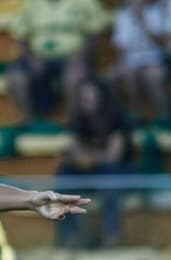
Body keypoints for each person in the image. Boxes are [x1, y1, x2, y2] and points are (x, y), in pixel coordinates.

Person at [55, 77, 133, 248]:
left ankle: (111, 237)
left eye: (90, 96)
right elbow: (75, 151)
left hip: (117, 171)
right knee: (65, 175)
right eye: (83, 97)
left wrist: (88, 156)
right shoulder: (78, 120)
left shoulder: (116, 119)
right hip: (91, 170)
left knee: (109, 183)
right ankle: (71, 237)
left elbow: (113, 156)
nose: (87, 101)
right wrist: (85, 157)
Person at [6, 0, 109, 125]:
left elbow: (94, 35)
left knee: (75, 77)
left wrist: (80, 57)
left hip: (73, 56)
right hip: (39, 57)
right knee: (15, 77)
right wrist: (31, 59)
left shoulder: (86, 2)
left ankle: (73, 123)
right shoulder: (30, 3)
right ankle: (30, 122)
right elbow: (20, 36)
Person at [111, 0, 169, 122]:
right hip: (131, 60)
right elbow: (121, 47)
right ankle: (135, 115)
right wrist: (120, 64)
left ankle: (164, 117)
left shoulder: (155, 13)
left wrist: (143, 22)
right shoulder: (123, 16)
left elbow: (161, 42)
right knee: (121, 75)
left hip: (154, 59)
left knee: (152, 76)